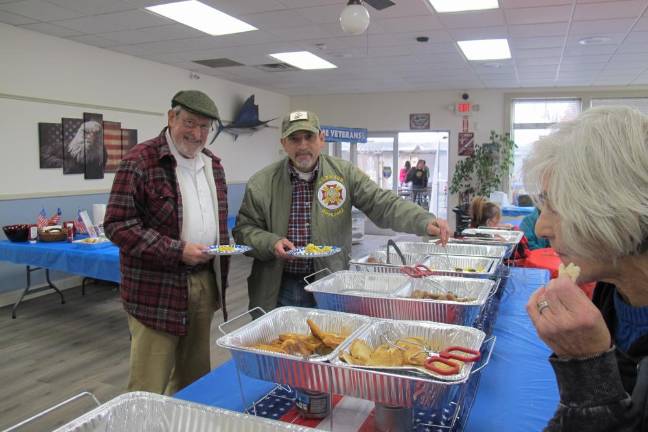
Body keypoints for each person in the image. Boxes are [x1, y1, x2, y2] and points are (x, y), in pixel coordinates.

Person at [232, 110, 449, 311]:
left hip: (330, 280)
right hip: (279, 286)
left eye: (309, 137)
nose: (303, 145)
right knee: (280, 348)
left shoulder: (344, 174)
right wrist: (270, 242)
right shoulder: (262, 183)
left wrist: (422, 220)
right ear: (284, 144)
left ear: (321, 139)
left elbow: (382, 202)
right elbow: (244, 230)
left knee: (330, 342)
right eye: (294, 139)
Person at [524, 106, 648, 431]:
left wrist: (587, 367)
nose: (541, 228)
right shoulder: (613, 291)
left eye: (557, 206)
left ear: (618, 207)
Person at [104, 90, 230, 395]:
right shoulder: (140, 161)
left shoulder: (212, 165)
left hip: (203, 282)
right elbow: (117, 225)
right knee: (149, 385)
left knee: (195, 379)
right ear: (171, 117)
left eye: (205, 127)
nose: (197, 133)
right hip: (155, 291)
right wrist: (177, 251)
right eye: (190, 122)